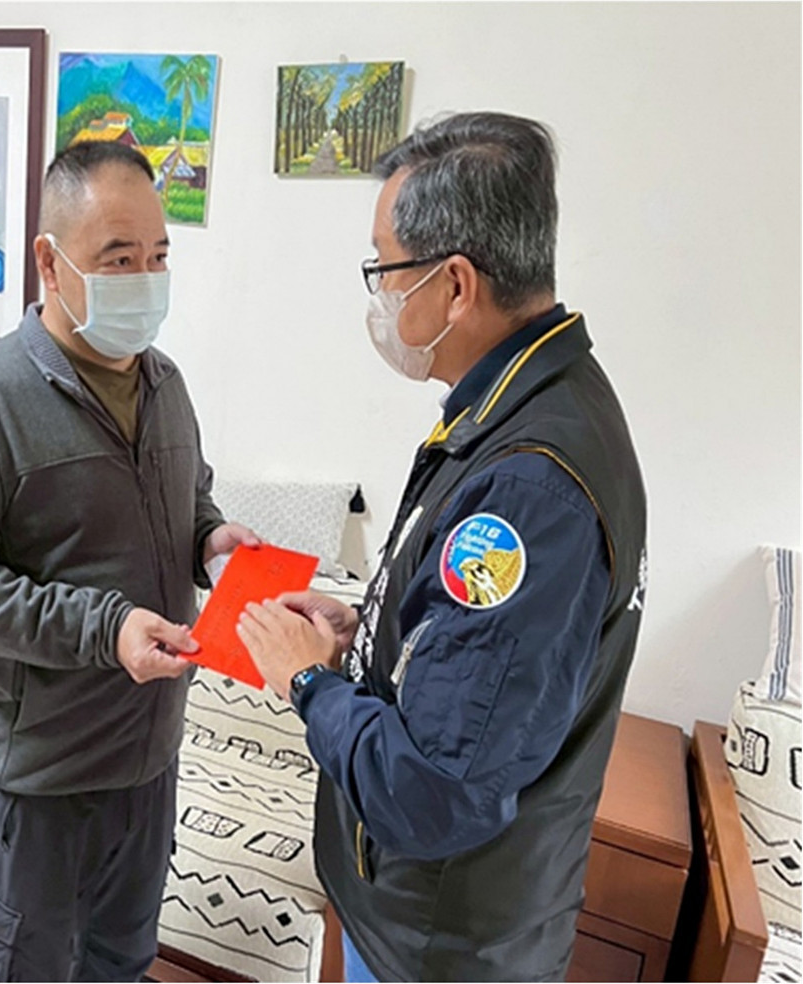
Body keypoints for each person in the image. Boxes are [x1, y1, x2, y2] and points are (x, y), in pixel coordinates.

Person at [236, 112, 647, 982]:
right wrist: (368, 633)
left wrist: (308, 682)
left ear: (455, 284)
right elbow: (480, 661)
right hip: (433, 920)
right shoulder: (534, 400)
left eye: (384, 269)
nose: (379, 298)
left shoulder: (530, 490)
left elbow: (434, 792)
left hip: (440, 942)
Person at [0, 140, 258, 983]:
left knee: (121, 966)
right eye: (119, 258)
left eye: (158, 256)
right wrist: (106, 628)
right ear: (49, 262)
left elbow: (188, 499)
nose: (146, 278)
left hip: (149, 765)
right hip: (42, 782)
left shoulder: (166, 384)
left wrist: (211, 539)